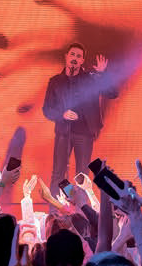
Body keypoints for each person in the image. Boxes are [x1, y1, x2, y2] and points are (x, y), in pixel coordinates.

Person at [42, 43, 117, 186]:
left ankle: (80, 201)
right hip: (63, 133)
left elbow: (112, 93)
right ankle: (58, 201)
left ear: (82, 61)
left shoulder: (91, 78)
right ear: (66, 57)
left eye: (78, 56)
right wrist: (62, 114)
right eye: (72, 55)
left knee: (82, 175)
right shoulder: (55, 81)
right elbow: (47, 109)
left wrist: (102, 74)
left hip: (84, 133)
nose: (74, 58)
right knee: (59, 173)